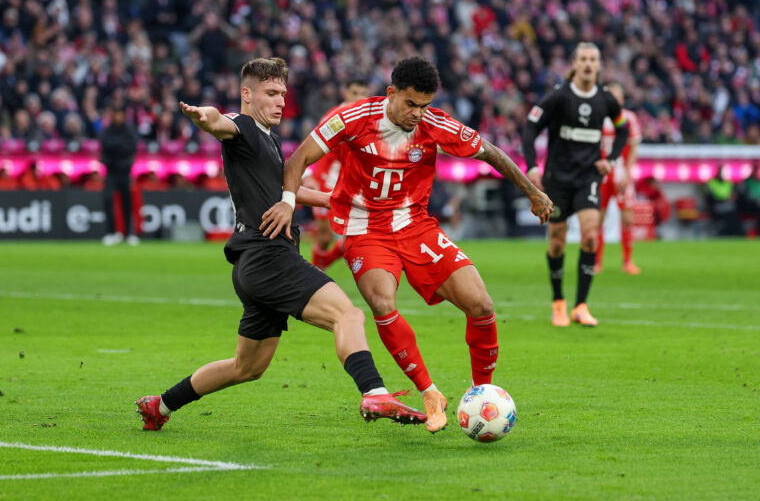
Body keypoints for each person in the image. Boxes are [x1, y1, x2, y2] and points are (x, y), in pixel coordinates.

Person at [261, 56, 552, 433]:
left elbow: (491, 153)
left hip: (416, 226)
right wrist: (287, 202)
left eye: (425, 105)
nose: (418, 114)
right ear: (391, 93)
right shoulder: (353, 117)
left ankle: (483, 390)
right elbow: (298, 159)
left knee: (481, 304)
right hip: (365, 229)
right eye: (411, 104)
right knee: (382, 301)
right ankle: (429, 392)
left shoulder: (434, 124)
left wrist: (533, 193)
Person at [135, 57, 426, 432]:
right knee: (348, 315)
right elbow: (217, 121)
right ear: (247, 94)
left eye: (283, 94)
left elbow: (287, 190)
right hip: (269, 255)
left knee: (247, 367)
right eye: (271, 93)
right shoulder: (241, 127)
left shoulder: (269, 137)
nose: (280, 101)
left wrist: (337, 198)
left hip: (254, 264)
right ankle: (374, 391)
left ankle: (159, 405)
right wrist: (201, 117)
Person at [522, 42, 629, 327]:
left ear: (599, 65)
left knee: (591, 236)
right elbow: (530, 126)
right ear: (574, 63)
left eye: (593, 59)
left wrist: (613, 159)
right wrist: (532, 166)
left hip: (588, 178)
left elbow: (623, 129)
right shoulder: (559, 97)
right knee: (557, 242)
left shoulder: (607, 100)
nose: (588, 64)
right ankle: (558, 302)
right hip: (557, 180)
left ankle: (581, 305)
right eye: (583, 59)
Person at [304, 79, 370, 270]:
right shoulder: (335, 117)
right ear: (345, 93)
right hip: (325, 181)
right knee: (324, 237)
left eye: (363, 93)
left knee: (358, 234)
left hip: (350, 184)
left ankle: (319, 269)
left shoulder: (369, 119)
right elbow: (311, 143)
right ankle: (316, 275)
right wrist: (308, 174)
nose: (359, 98)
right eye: (355, 93)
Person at [596, 82, 642, 275]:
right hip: (601, 175)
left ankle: (627, 261)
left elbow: (633, 147)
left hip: (621, 173)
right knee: (598, 217)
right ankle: (596, 262)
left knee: (628, 218)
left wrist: (628, 172)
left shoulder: (629, 118)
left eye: (617, 96)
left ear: (622, 99)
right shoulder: (597, 118)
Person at [100, 104, 140, 246]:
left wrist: (116, 147)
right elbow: (105, 144)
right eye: (115, 114)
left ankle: (129, 234)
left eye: (119, 114)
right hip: (111, 171)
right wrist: (120, 146)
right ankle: (111, 233)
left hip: (125, 171)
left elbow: (131, 147)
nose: (117, 117)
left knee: (127, 203)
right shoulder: (107, 131)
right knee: (108, 200)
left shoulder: (129, 131)